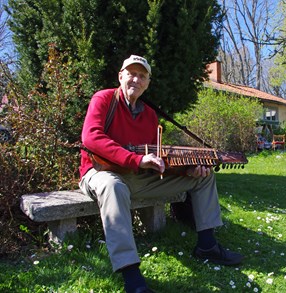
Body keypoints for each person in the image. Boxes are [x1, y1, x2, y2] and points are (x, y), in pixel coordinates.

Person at [79, 55, 243, 293]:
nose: (136, 79)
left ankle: (207, 246)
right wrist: (135, 159)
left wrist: (188, 169)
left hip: (137, 177)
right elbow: (91, 137)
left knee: (203, 176)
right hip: (100, 171)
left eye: (142, 75)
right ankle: (133, 280)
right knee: (114, 188)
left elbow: (157, 160)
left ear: (147, 82)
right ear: (120, 76)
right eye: (131, 73)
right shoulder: (104, 99)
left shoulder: (149, 115)